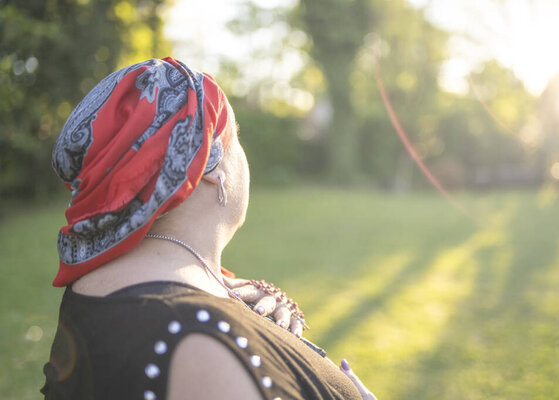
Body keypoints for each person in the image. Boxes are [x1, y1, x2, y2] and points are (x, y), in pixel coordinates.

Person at [42, 58, 376, 400]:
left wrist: (245, 314)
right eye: (238, 139)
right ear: (209, 169)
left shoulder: (96, 286)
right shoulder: (198, 342)